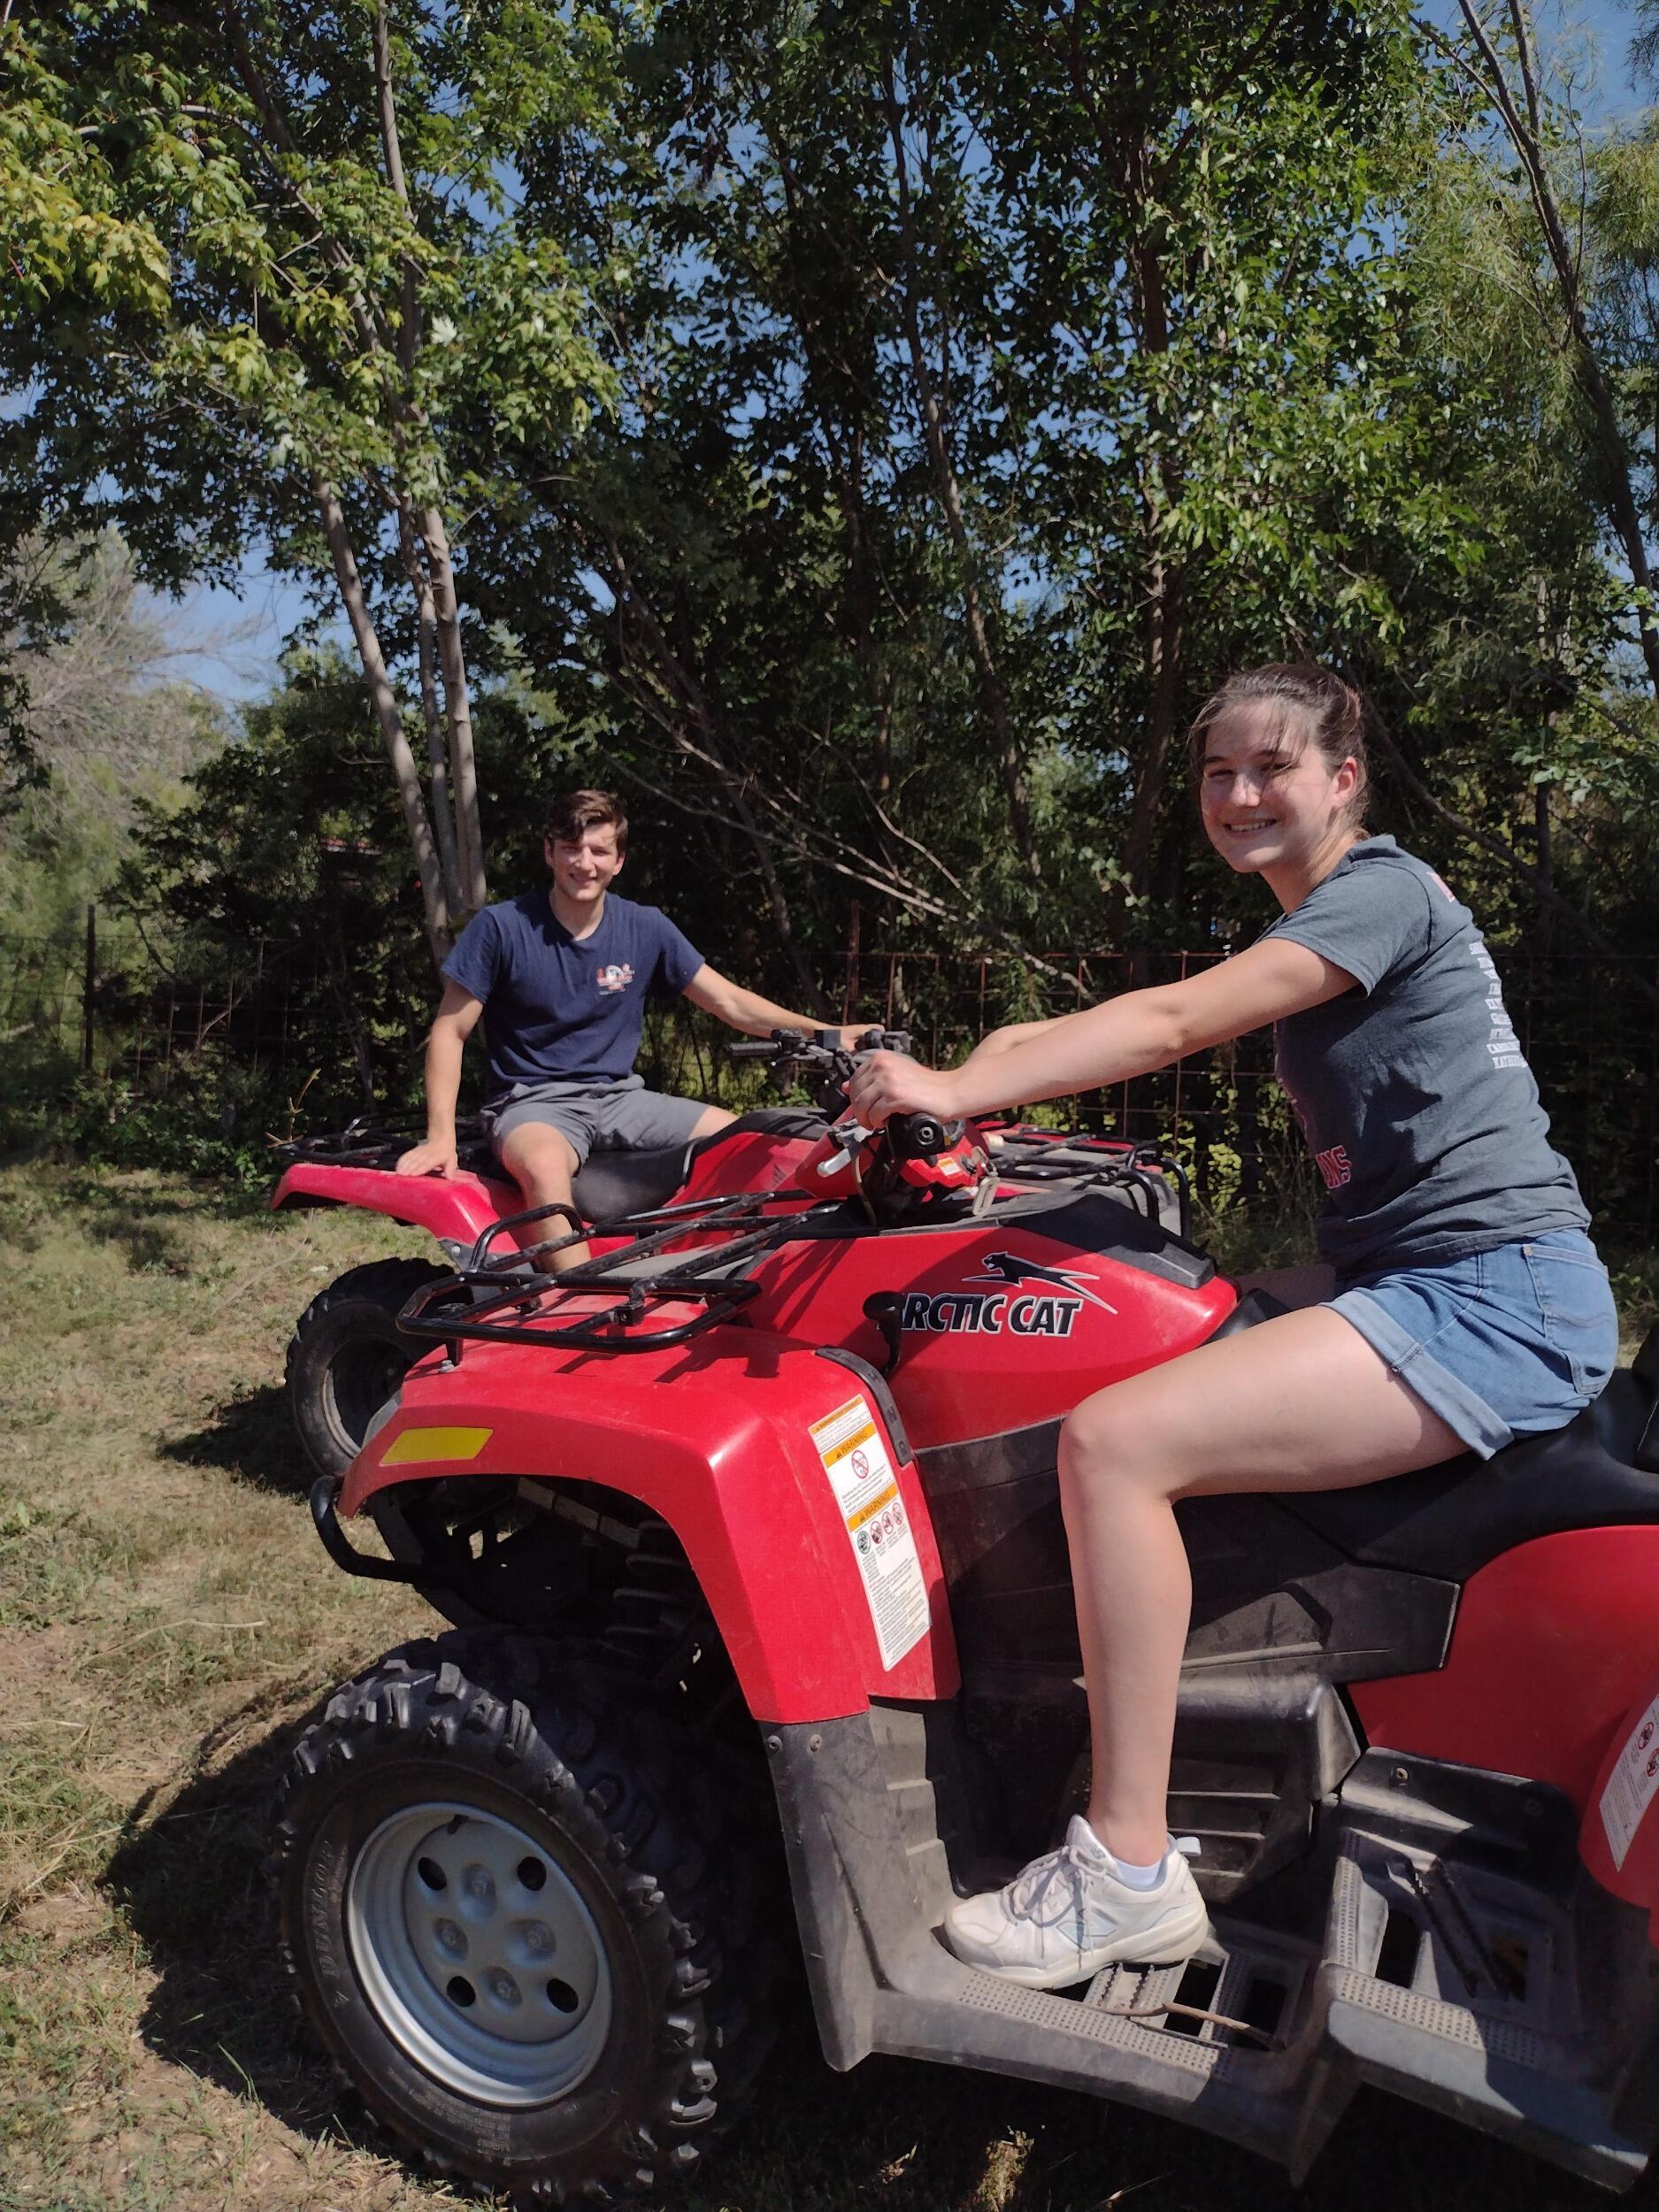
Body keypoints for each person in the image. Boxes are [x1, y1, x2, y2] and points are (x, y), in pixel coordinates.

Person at [848, 662, 1618, 1987]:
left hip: (1487, 1294)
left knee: (1111, 1443)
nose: (1240, 792)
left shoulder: (1375, 891)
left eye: (1269, 766)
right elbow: (1087, 1019)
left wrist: (959, 1084)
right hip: (1439, 1271)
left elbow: (1167, 1020)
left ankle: (1126, 1869)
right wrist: (959, 1080)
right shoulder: (1330, 909)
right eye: (1217, 771)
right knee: (1176, 1323)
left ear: (1341, 779)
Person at [397, 788, 863, 1265]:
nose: (585, 863)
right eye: (571, 849)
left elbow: (730, 1002)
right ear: (549, 852)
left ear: (618, 860)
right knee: (543, 1166)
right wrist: (440, 1138)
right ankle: (578, 1303)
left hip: (622, 1098)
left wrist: (825, 1032)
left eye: (599, 850)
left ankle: (714, 1273)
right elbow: (449, 1033)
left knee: (747, 1145)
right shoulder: (501, 927)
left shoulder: (645, 927)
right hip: (532, 1102)